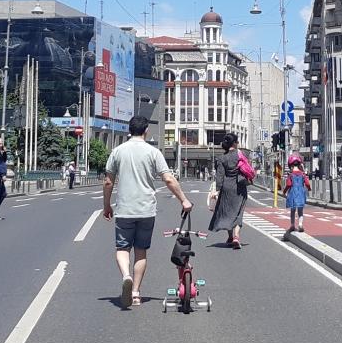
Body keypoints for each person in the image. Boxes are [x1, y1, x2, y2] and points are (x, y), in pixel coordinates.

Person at [103, 116, 192, 308]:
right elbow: (168, 179)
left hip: (124, 210)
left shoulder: (117, 151)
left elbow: (108, 181)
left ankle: (126, 276)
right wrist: (184, 200)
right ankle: (135, 293)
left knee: (122, 249)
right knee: (141, 252)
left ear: (129, 130)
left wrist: (107, 205)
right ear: (146, 132)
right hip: (146, 210)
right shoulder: (153, 152)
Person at [208, 133, 248, 249]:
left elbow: (219, 176)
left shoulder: (221, 158)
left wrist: (216, 190)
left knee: (228, 211)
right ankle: (236, 236)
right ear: (235, 143)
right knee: (238, 211)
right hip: (240, 186)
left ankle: (230, 236)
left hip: (226, 187)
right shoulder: (241, 154)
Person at [283, 153, 311, 234]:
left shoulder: (291, 175)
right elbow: (307, 183)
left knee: (292, 210)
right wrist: (308, 189)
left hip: (292, 193)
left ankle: (292, 225)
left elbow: (288, 184)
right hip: (301, 193)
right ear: (299, 164)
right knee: (300, 210)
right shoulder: (302, 174)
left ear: (290, 165)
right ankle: (300, 224)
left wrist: (284, 191)